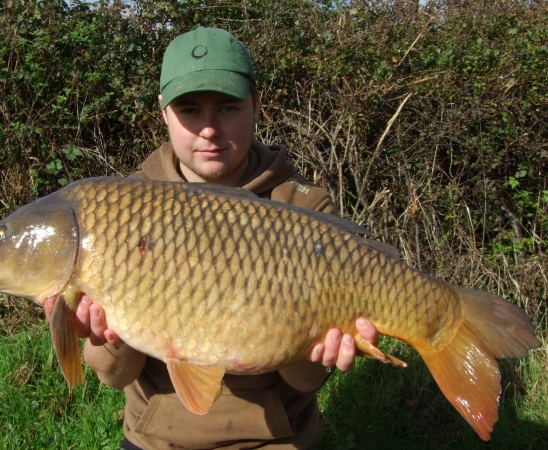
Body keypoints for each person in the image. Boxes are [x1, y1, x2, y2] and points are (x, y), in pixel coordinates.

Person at [45, 27, 379, 450]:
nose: (209, 130)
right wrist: (105, 337)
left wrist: (317, 350)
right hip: (156, 441)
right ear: (163, 111)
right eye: (189, 111)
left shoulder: (304, 209)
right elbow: (114, 376)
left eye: (226, 108)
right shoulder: (119, 212)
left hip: (279, 442)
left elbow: (307, 380)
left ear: (257, 104)